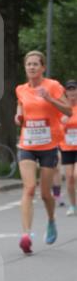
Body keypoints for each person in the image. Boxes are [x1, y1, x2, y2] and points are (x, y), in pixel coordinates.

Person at [15, 50, 71, 254]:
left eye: (35, 64)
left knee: (45, 194)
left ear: (43, 67)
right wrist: (18, 117)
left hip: (48, 146)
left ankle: (51, 219)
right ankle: (26, 235)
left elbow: (68, 111)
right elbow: (21, 107)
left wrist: (49, 99)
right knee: (29, 188)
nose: (31, 67)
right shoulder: (21, 89)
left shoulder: (53, 86)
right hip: (27, 144)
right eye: (28, 64)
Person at [58, 79, 77, 216]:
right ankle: (73, 205)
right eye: (69, 90)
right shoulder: (62, 109)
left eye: (74, 89)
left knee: (76, 175)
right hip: (66, 147)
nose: (72, 92)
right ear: (66, 93)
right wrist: (62, 123)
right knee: (69, 177)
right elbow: (56, 129)